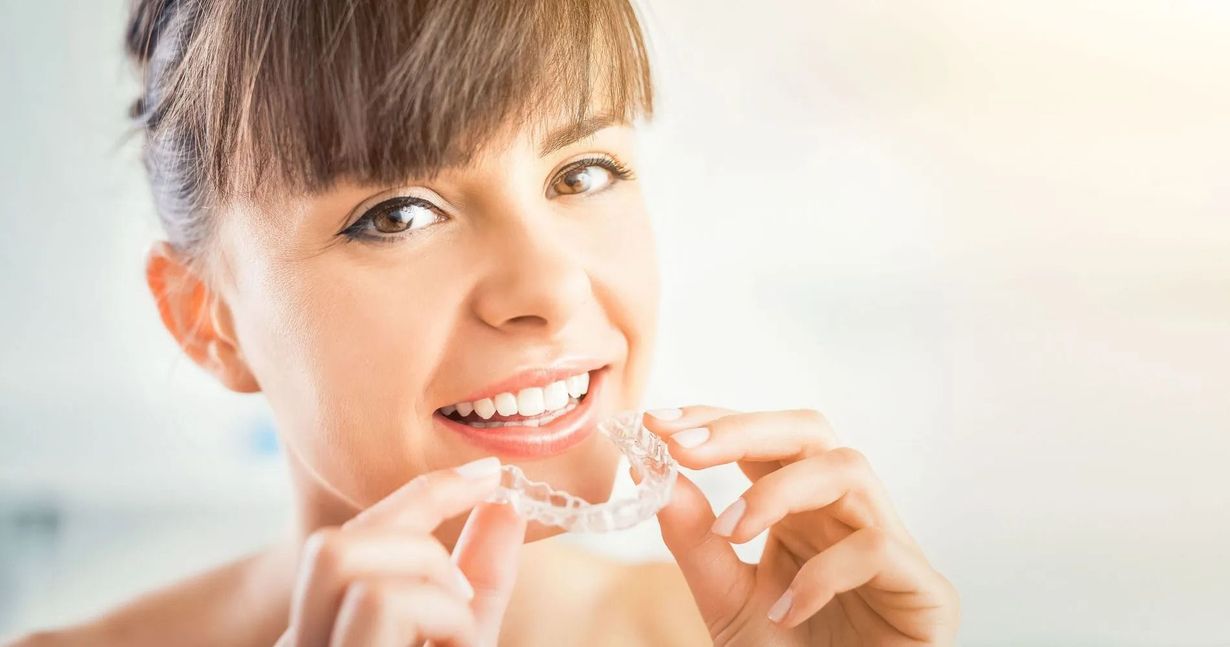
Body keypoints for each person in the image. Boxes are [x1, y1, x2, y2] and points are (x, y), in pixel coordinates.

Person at [12, 0, 959, 644]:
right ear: (208, 320)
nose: (549, 287)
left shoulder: (771, 632)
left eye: (581, 172)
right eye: (397, 214)